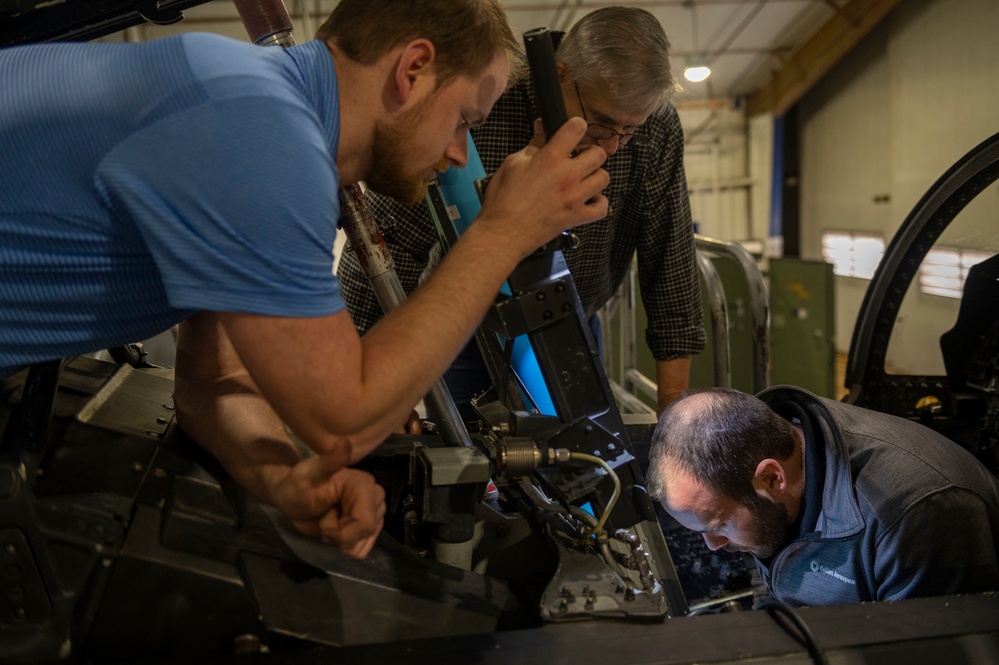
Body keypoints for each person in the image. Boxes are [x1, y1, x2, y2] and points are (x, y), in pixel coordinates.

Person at [0, 0, 610, 559]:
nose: (458, 152)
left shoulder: (255, 110)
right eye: (463, 120)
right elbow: (345, 413)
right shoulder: (260, 131)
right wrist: (502, 233)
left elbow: (214, 380)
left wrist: (283, 477)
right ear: (414, 68)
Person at [337, 6, 705, 417]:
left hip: (573, 327)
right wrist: (371, 386)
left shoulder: (655, 126)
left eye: (630, 130)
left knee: (587, 458)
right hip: (462, 329)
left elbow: (670, 267)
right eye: (601, 122)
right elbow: (387, 239)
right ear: (561, 74)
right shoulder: (483, 98)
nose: (613, 147)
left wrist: (675, 421)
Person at [645, 385, 999, 607]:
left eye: (720, 524)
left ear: (771, 477)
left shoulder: (917, 511)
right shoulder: (769, 449)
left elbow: (919, 650)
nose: (713, 545)